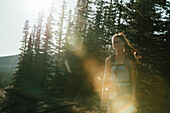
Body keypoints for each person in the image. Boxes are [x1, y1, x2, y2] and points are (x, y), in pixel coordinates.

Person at [102, 33, 141, 113]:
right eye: (114, 42)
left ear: (123, 43)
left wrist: (134, 97)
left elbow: (134, 81)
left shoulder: (130, 60)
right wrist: (103, 95)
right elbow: (106, 79)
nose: (115, 44)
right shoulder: (109, 60)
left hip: (126, 92)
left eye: (118, 42)